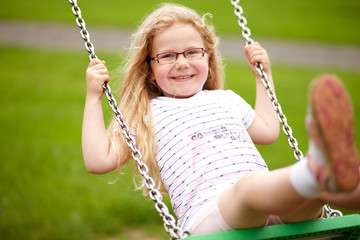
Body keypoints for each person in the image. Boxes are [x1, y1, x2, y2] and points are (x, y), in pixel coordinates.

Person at [82, 3, 360, 235]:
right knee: (249, 188)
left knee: (303, 202)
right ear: (149, 69)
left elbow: (267, 130)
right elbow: (99, 160)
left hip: (268, 208)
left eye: (192, 52)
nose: (182, 62)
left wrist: (264, 77)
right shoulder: (146, 114)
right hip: (209, 217)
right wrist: (93, 97)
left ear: (208, 56)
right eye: (167, 56)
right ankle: (316, 170)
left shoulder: (225, 99)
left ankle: (330, 182)